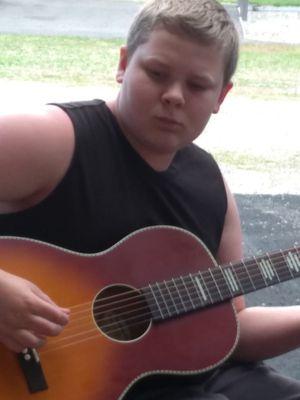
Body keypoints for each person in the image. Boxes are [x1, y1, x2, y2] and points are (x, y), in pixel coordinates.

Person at [0, 0, 300, 398]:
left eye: (197, 85)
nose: (174, 96)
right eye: (157, 73)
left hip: (188, 378)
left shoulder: (211, 185)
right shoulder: (53, 140)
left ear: (221, 96)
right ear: (124, 64)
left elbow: (232, 326)